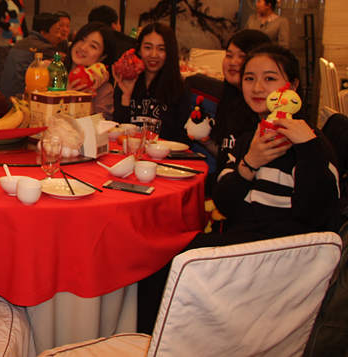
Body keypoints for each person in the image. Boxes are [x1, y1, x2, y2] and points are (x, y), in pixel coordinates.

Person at [137, 44, 341, 333]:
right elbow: (225, 202)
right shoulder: (248, 139)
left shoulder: (311, 143)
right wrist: (250, 162)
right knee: (155, 254)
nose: (257, 88)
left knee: (169, 264)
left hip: (280, 260)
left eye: (270, 78)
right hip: (242, 245)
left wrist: (307, 147)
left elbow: (316, 215)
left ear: (292, 86)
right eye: (249, 78)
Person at [189, 29, 271, 194]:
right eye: (229, 55)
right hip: (224, 185)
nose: (233, 62)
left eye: (242, 56)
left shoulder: (263, 110)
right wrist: (206, 142)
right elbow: (227, 155)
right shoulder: (229, 100)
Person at [113, 22, 186, 141]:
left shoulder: (179, 87)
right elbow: (118, 130)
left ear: (169, 52)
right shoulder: (126, 80)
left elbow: (180, 137)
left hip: (163, 151)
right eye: (148, 47)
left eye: (161, 49)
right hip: (130, 150)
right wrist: (126, 96)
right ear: (139, 50)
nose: (153, 54)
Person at [0, 12, 65, 98]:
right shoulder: (45, 49)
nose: (59, 36)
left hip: (5, 95)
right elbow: (55, 81)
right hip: (23, 98)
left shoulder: (20, 43)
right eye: (57, 31)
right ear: (43, 32)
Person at [67, 22, 117, 119]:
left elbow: (100, 125)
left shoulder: (104, 90)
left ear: (102, 57)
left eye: (93, 46)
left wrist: (85, 98)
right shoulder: (55, 72)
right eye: (82, 40)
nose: (83, 48)